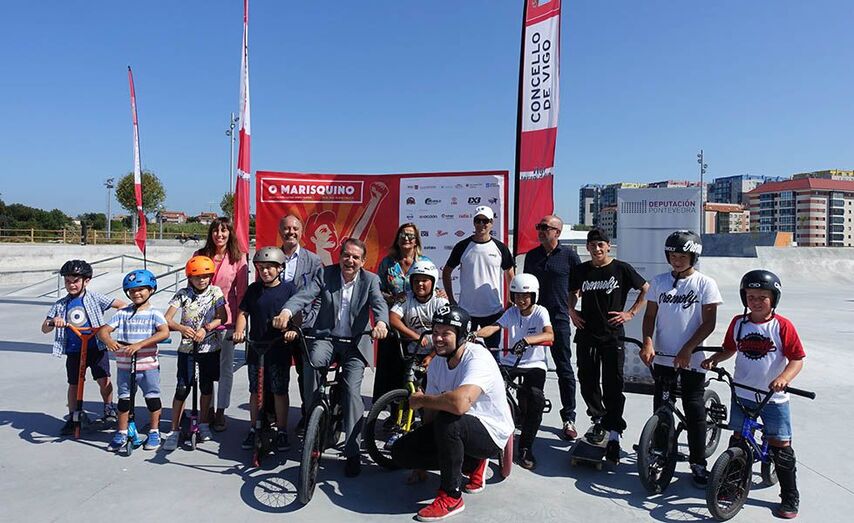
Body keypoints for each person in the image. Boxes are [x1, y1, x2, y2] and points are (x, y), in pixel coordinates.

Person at [272, 238, 389, 477]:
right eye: (346, 255)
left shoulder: (370, 280)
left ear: (362, 261)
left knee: (351, 392)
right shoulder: (326, 274)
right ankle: (313, 420)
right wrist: (286, 311)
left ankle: (352, 451)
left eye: (355, 257)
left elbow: (379, 304)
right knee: (312, 365)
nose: (350, 260)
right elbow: (304, 295)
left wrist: (381, 324)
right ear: (340, 256)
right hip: (326, 337)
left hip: (355, 342)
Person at [391, 306, 514, 522]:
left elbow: (459, 404)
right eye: (435, 332)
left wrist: (421, 400)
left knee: (449, 421)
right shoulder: (438, 362)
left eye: (446, 333)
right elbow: (430, 415)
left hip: (490, 432)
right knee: (401, 452)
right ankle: (469, 463)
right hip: (458, 427)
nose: (438, 339)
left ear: (462, 335)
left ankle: (451, 496)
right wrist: (420, 460)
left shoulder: (478, 358)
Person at [702, 270, 806, 519]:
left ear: (774, 298)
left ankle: (790, 495)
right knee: (738, 439)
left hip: (773, 398)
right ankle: (731, 485)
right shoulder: (739, 323)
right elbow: (729, 348)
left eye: (762, 297)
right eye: (751, 297)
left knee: (781, 447)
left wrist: (784, 378)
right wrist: (715, 359)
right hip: (742, 392)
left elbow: (797, 359)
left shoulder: (782, 326)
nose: (756, 302)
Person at [639, 231, 721, 486]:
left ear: (693, 257)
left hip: (692, 359)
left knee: (694, 408)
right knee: (661, 407)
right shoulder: (659, 282)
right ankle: (660, 451)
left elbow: (709, 323)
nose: (676, 261)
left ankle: (698, 462)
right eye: (673, 256)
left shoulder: (705, 284)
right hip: (663, 358)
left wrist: (688, 349)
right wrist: (648, 341)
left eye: (682, 257)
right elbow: (650, 316)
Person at [569, 227, 648, 463]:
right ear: (587, 248)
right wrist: (571, 310)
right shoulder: (581, 270)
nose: (597, 249)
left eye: (600, 245)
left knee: (613, 383)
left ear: (608, 246)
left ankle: (614, 433)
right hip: (587, 333)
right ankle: (598, 419)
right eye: (592, 245)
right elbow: (572, 291)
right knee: (587, 379)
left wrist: (630, 313)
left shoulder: (621, 269)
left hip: (613, 336)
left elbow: (646, 289)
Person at [475, 273, 553, 470]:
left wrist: (527, 340)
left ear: (534, 296)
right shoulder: (512, 312)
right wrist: (473, 335)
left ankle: (526, 447)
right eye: (517, 295)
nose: (521, 300)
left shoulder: (540, 312)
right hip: (510, 361)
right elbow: (493, 327)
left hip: (535, 364)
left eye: (525, 296)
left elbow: (549, 335)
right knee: (491, 392)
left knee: (535, 399)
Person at [41, 259, 126, 435]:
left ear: (86, 281)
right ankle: (73, 415)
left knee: (103, 379)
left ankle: (109, 408)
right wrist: (53, 321)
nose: (71, 285)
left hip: (96, 347)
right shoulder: (60, 304)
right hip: (74, 350)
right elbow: (44, 328)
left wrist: (111, 325)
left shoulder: (95, 298)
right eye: (67, 281)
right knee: (73, 383)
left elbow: (122, 305)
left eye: (75, 281)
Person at [523, 214, 582, 440]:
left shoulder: (569, 256)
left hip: (558, 320)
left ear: (557, 232)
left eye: (545, 227)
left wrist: (571, 308)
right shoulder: (532, 256)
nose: (540, 230)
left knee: (564, 368)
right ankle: (525, 410)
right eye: (539, 226)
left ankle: (569, 417)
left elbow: (578, 287)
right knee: (527, 366)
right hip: (534, 319)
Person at [233, 247, 297, 452]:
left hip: (278, 348)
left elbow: (297, 314)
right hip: (257, 347)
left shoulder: (289, 290)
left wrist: (292, 330)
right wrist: (239, 332)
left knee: (279, 390)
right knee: (255, 390)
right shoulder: (254, 289)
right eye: (261, 268)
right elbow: (243, 313)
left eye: (270, 267)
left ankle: (282, 430)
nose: (265, 271)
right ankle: (254, 427)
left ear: (280, 268)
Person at [98, 269, 170, 451]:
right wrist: (109, 340)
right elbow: (103, 331)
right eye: (132, 291)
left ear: (151, 290)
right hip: (124, 365)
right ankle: (122, 432)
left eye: (141, 289)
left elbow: (164, 332)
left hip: (148, 366)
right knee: (124, 401)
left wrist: (140, 344)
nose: (136, 293)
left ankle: (154, 431)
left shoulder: (154, 313)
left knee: (152, 399)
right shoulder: (123, 313)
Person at [162, 256, 227, 451]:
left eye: (206, 276)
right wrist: (181, 328)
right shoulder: (183, 294)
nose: (202, 280)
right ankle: (174, 429)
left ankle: (204, 423)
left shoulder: (215, 292)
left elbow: (222, 317)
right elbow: (167, 319)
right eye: (197, 277)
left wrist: (206, 329)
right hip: (187, 349)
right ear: (190, 278)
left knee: (206, 387)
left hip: (209, 348)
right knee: (183, 388)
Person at [195, 217, 248, 432]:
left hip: (227, 320)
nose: (219, 235)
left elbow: (242, 294)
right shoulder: (200, 255)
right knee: (205, 368)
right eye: (216, 230)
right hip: (203, 322)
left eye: (224, 231)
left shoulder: (238, 258)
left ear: (230, 233)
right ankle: (206, 408)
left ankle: (220, 410)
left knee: (225, 369)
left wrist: (240, 327)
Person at [374, 222, 434, 401]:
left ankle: (420, 403)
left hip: (417, 323)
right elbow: (377, 291)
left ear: (416, 241)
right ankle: (391, 405)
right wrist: (393, 298)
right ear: (397, 240)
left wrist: (441, 293)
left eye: (410, 236)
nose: (406, 238)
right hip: (395, 322)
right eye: (402, 235)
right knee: (391, 367)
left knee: (417, 370)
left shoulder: (425, 262)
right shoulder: (387, 263)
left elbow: (432, 287)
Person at [442, 206, 515, 348]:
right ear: (474, 222)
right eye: (478, 220)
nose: (481, 224)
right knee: (464, 351)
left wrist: (510, 300)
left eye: (485, 221)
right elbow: (446, 272)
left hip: (493, 311)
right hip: (466, 312)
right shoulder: (462, 246)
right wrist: (451, 299)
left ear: (491, 223)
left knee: (493, 353)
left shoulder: (500, 248)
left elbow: (510, 274)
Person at [277, 214, 323, 426]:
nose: (291, 232)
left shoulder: (313, 261)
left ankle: (308, 417)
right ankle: (273, 418)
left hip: (305, 327)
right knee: (276, 373)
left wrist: (308, 321)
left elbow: (319, 296)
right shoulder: (271, 257)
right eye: (287, 228)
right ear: (280, 231)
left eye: (295, 228)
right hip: (278, 327)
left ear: (302, 232)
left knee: (306, 374)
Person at [389, 260, 449, 370]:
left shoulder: (440, 301)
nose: (420, 284)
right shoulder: (406, 298)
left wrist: (431, 356)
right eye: (416, 281)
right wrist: (415, 336)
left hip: (438, 352)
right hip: (414, 352)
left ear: (433, 282)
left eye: (424, 280)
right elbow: (393, 318)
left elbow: (447, 333)